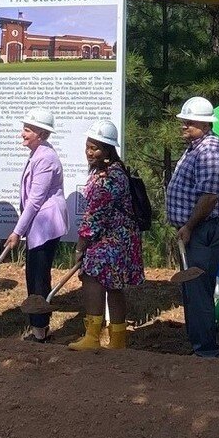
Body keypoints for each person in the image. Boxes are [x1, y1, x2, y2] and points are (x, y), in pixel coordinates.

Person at [164, 95, 219, 360]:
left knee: (199, 287)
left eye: (190, 121)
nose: (183, 124)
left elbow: (209, 197)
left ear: (206, 125)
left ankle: (206, 350)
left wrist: (190, 226)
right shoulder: (198, 146)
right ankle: (201, 346)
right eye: (184, 120)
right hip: (200, 228)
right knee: (195, 288)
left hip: (206, 228)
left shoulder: (210, 150)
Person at [69, 120, 144, 351]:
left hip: (110, 240)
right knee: (114, 286)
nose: (90, 152)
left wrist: (81, 246)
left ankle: (93, 336)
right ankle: (117, 339)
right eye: (88, 147)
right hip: (121, 238)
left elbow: (95, 216)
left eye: (96, 148)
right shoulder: (116, 171)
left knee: (92, 277)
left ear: (108, 150)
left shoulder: (107, 178)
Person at [4, 107, 66, 343]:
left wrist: (17, 231)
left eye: (27, 130)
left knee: (38, 277)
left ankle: (40, 331)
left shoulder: (46, 158)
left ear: (40, 133)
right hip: (38, 225)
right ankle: (37, 326)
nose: (22, 134)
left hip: (45, 225)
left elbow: (36, 200)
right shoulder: (38, 154)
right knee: (34, 275)